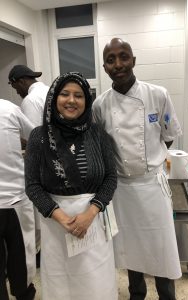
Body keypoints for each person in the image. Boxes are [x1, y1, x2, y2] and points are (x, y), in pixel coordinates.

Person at [93, 37, 182, 300]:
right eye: (111, 59)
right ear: (104, 66)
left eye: (124, 57)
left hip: (153, 186)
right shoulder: (100, 105)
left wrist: (153, 160)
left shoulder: (158, 94)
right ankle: (136, 294)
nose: (118, 64)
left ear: (134, 60)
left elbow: (168, 136)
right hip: (123, 190)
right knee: (130, 248)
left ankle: (166, 294)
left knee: (161, 248)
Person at [24, 72, 118, 300]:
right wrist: (62, 218)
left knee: (96, 283)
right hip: (56, 227)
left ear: (87, 101)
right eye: (64, 94)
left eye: (78, 95)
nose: (71, 100)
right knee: (61, 285)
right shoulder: (40, 137)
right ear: (54, 98)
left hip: (93, 223)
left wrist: (91, 212)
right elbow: (32, 185)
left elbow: (110, 178)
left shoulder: (98, 135)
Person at [8, 64, 49, 264]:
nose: (17, 92)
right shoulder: (48, 90)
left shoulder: (30, 100)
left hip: (43, 163)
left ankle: (39, 256)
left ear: (21, 81)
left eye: (15, 87)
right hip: (56, 159)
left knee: (39, 213)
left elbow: (33, 137)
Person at [0, 99, 36, 300]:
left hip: (15, 199)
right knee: (22, 261)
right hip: (15, 199)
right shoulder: (8, 109)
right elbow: (36, 136)